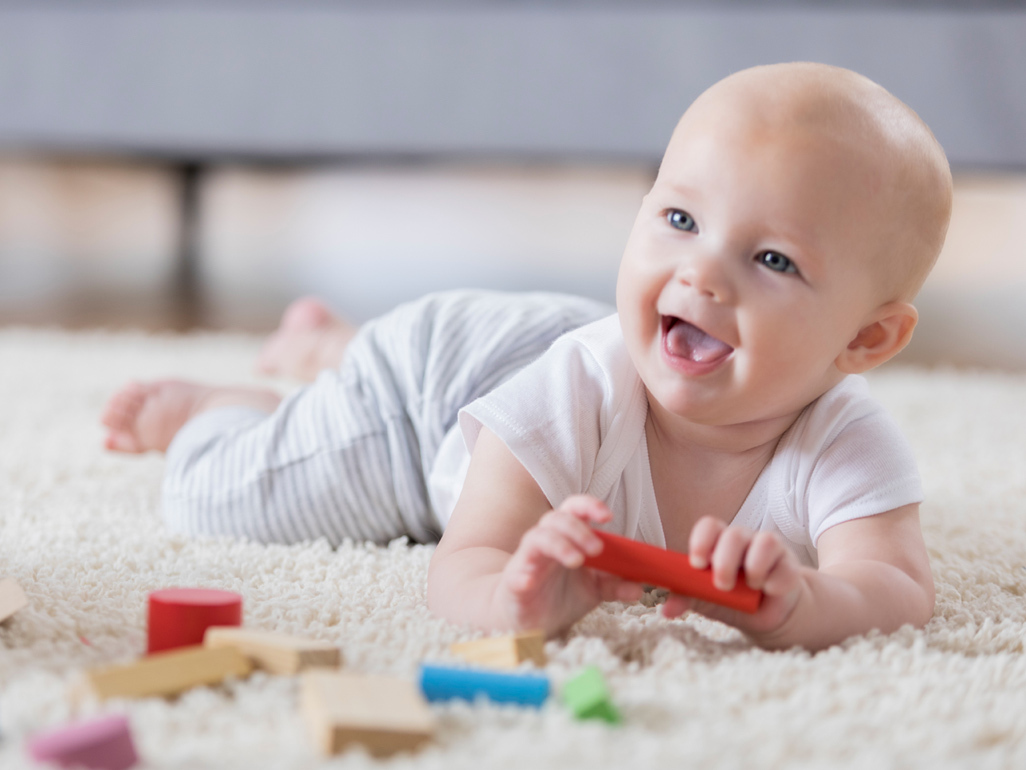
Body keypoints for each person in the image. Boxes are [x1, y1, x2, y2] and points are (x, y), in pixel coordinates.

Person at [102, 62, 952, 651]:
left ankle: (332, 346)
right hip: (429, 396)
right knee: (220, 499)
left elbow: (897, 589)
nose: (699, 273)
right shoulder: (574, 392)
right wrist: (516, 600)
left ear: (865, 340)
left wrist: (806, 606)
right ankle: (228, 405)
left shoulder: (844, 440)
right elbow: (461, 562)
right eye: (680, 221)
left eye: (773, 261)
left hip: (549, 341)